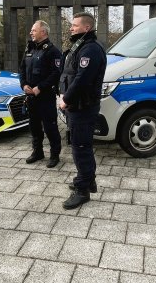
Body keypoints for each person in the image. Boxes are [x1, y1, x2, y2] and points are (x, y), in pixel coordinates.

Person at [58, 12, 107, 209]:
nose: (71, 28)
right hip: (77, 106)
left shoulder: (91, 49)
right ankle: (87, 180)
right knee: (81, 146)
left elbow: (82, 79)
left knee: (80, 148)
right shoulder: (80, 46)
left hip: (83, 107)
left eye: (75, 25)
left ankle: (82, 191)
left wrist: (66, 99)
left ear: (87, 28)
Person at [18, 20, 63, 168]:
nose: (31, 32)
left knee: (50, 127)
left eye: (34, 30)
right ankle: (37, 152)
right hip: (31, 96)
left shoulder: (53, 51)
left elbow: (56, 74)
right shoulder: (29, 49)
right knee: (34, 126)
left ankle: (55, 155)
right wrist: (24, 84)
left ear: (43, 32)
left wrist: (40, 87)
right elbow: (22, 69)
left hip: (45, 96)